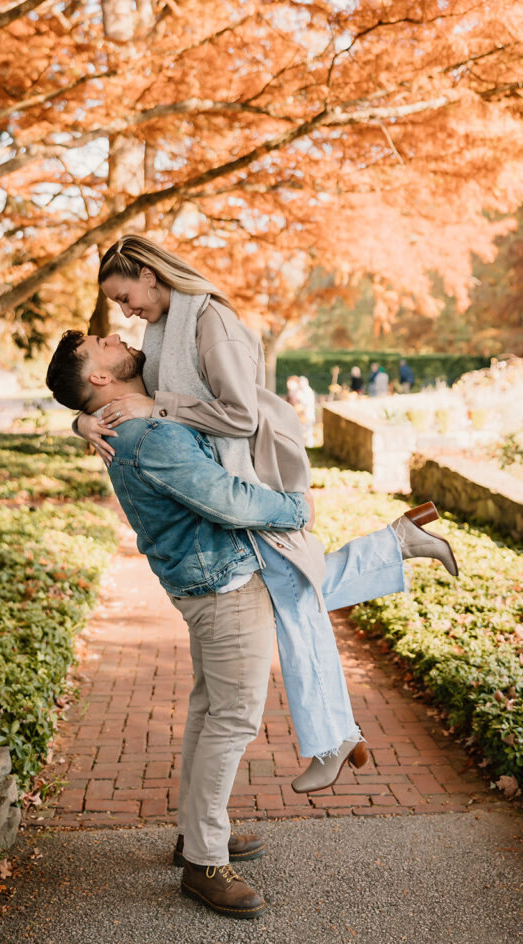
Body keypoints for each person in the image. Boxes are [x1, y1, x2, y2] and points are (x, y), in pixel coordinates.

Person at [46, 330, 457, 919]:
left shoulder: (130, 420)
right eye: (102, 343)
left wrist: (78, 423)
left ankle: (197, 837)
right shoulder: (147, 435)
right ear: (100, 380)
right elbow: (228, 500)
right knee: (231, 720)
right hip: (224, 584)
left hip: (213, 578)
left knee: (212, 708)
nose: (118, 334)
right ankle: (204, 862)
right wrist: (297, 507)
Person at [74, 234, 457, 787]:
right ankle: (396, 546)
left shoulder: (210, 324)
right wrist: (82, 421)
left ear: (152, 276)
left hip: (253, 470)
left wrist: (157, 405)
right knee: (300, 586)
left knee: (294, 591)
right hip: (227, 473)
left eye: (126, 295)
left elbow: (240, 415)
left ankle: (331, 739)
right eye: (119, 305)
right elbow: (106, 392)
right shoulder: (161, 329)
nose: (126, 310)